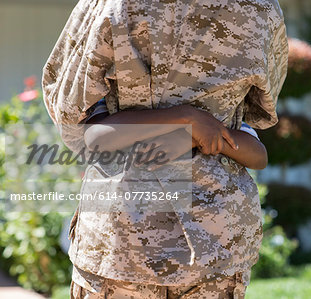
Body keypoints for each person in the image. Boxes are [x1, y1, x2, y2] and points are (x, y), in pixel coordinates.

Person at [42, 0, 288, 298]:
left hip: (122, 244)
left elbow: (76, 121)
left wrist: (183, 121)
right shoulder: (260, 7)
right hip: (216, 240)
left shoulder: (113, 4)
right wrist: (192, 120)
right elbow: (259, 111)